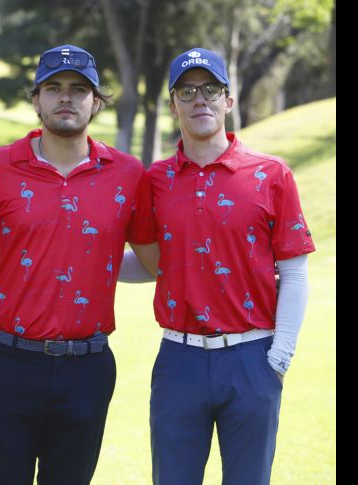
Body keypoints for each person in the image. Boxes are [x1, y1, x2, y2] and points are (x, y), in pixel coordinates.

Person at [0, 44, 158, 484]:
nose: (65, 97)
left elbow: (158, 263)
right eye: (53, 88)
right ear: (36, 99)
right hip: (6, 362)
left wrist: (253, 267)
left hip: (87, 368)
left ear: (96, 101)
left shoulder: (128, 174)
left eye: (78, 89)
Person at [143, 47, 316, 485]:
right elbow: (153, 262)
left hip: (251, 358)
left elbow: (294, 272)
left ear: (228, 100)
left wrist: (278, 357)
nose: (199, 99)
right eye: (187, 91)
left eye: (211, 89)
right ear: (172, 104)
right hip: (178, 358)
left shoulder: (271, 174)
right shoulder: (155, 181)